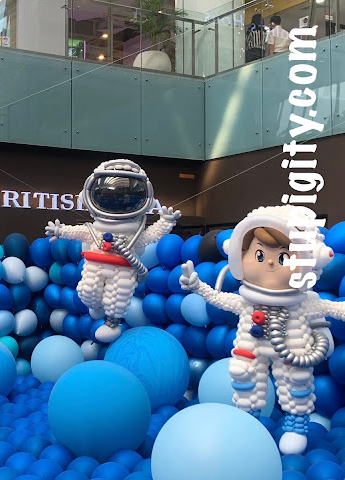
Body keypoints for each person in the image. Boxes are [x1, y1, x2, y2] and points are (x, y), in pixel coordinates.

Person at [179, 205, 345, 455]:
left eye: (283, 258)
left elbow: (333, 308)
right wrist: (198, 287)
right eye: (259, 255)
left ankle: (296, 426)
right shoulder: (247, 302)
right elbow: (219, 299)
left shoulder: (303, 304)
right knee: (245, 378)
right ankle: (248, 423)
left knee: (296, 382)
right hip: (251, 346)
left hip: (291, 349)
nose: (269, 262)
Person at [45, 159, 181, 343]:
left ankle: (112, 324)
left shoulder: (134, 235)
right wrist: (60, 231)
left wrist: (165, 222)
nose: (117, 201)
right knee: (87, 291)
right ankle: (95, 305)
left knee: (116, 300)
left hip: (123, 268)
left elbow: (151, 235)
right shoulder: (95, 230)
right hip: (95, 264)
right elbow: (80, 232)